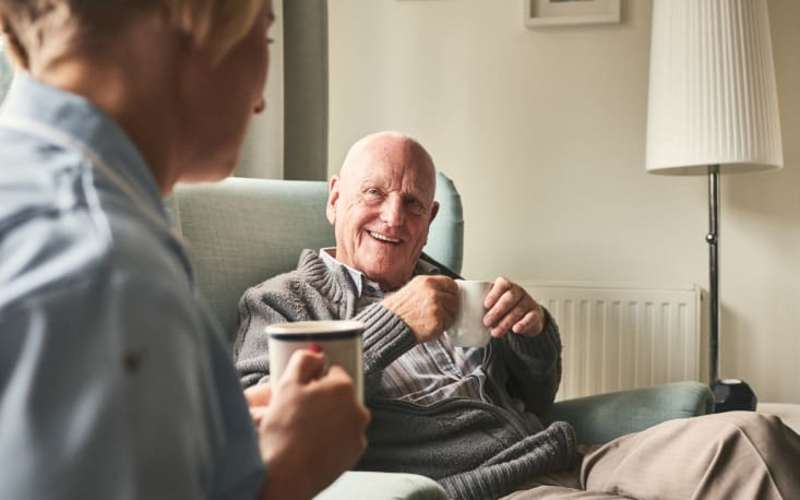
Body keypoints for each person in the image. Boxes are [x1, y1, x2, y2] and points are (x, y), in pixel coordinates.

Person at [234, 131, 800, 500]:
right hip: (481, 489)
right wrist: (396, 321)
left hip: (572, 455)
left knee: (756, 439)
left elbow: (536, 397)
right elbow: (264, 425)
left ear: (430, 218)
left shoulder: (453, 290)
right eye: (373, 194)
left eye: (412, 204)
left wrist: (532, 336)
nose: (392, 216)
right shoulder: (283, 301)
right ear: (335, 199)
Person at [0, 1, 369, 499]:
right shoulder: (111, 277)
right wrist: (287, 474)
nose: (262, 101)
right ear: (186, 20)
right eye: (264, 36)